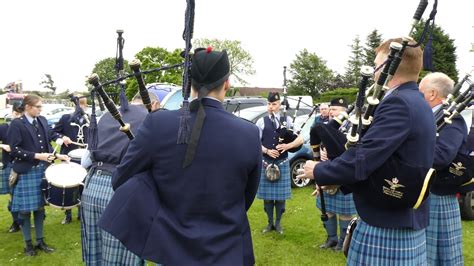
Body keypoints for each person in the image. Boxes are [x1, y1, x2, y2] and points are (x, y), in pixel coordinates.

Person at [107, 47, 262, 265]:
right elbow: (246, 197)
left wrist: (156, 187)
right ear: (227, 83)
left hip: (171, 249)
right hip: (226, 250)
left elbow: (120, 179)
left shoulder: (157, 124)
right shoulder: (249, 133)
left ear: (189, 84)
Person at [298, 38, 436, 265]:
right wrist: (338, 179)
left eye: (376, 63)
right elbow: (382, 161)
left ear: (387, 67)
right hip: (398, 217)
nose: (373, 69)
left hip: (389, 222)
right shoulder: (414, 101)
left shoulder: (399, 103)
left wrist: (319, 170)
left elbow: (363, 159)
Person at [79, 90, 158, 265]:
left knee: (95, 251)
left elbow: (86, 160)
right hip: (122, 189)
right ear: (154, 105)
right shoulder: (151, 119)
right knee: (121, 257)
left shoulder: (107, 115)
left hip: (92, 187)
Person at [7, 94, 71, 256]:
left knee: (40, 208)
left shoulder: (41, 120)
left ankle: (40, 241)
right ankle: (28, 244)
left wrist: (61, 140)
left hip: (43, 170)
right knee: (25, 211)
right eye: (38, 107)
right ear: (28, 107)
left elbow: (50, 135)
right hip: (27, 171)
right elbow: (15, 150)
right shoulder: (16, 124)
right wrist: (37, 156)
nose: (41, 109)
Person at [419, 72, 467, 265]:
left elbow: (441, 157)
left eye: (420, 91)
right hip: (424, 191)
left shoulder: (453, 120)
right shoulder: (427, 117)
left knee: (440, 257)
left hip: (438, 193)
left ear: (431, 94)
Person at [256, 91, 304, 235]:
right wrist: (266, 151)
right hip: (266, 163)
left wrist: (287, 146)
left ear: (279, 105)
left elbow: (300, 139)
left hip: (282, 162)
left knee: (280, 197)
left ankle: (278, 223)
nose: (271, 107)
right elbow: (254, 142)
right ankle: (270, 223)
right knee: (268, 198)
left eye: (274, 104)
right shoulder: (261, 121)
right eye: (269, 104)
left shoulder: (287, 120)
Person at [315, 97, 357, 251]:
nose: (331, 112)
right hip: (327, 170)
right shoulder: (328, 126)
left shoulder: (354, 127)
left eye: (335, 110)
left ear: (345, 111)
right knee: (326, 209)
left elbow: (353, 151)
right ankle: (331, 238)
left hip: (343, 173)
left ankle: (342, 241)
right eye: (331, 109)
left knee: (345, 213)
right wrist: (321, 152)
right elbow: (320, 145)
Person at [52, 95, 89, 224]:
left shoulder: (89, 119)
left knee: (82, 184)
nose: (82, 107)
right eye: (80, 104)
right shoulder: (65, 118)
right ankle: (68, 214)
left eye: (84, 105)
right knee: (67, 185)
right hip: (68, 156)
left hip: (84, 157)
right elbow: (53, 133)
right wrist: (62, 138)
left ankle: (81, 212)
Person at [0, 102, 24, 233]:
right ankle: (16, 222)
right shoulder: (4, 127)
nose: (18, 115)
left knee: (24, 194)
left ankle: (24, 221)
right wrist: (3, 146)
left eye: (21, 113)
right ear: (12, 111)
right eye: (16, 113)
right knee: (13, 195)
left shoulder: (26, 126)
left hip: (25, 163)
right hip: (10, 163)